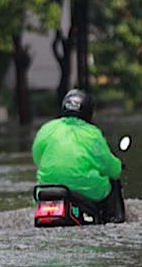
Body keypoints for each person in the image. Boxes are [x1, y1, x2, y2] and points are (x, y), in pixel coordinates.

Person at [32, 90, 126, 223]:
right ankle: (114, 221)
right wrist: (118, 167)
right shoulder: (92, 134)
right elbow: (110, 167)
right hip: (85, 191)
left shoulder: (47, 129)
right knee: (112, 181)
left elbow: (37, 158)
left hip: (45, 191)